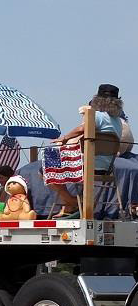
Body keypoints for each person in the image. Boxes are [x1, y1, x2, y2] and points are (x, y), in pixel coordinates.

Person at [49, 84, 125, 216]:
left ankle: (71, 202)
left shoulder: (97, 115)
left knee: (48, 166)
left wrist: (64, 139)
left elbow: (81, 129)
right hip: (106, 167)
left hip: (87, 165)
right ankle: (70, 205)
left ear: (97, 100)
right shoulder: (118, 121)